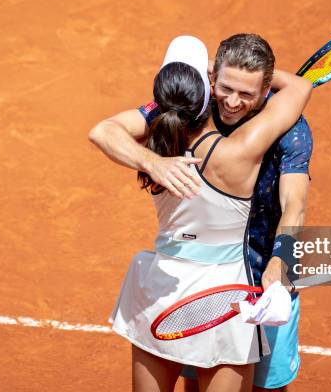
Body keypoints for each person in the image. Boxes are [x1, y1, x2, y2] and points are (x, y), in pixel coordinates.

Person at [90, 35, 311, 391]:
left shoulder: (157, 128)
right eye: (225, 87)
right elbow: (300, 87)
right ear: (209, 82)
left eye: (245, 93)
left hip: (158, 288)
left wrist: (152, 161)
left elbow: (101, 131)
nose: (234, 101)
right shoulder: (243, 148)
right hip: (229, 293)